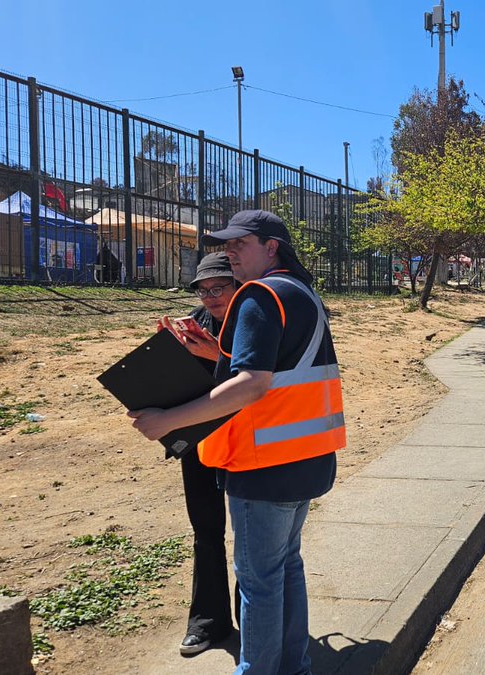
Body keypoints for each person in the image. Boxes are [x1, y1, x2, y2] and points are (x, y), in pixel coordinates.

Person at [129, 210, 343, 675]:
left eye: (239, 244)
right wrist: (218, 353)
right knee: (286, 569)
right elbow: (281, 371)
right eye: (225, 245)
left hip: (263, 463)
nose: (228, 253)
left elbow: (251, 385)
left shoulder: (259, 296)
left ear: (272, 247)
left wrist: (168, 420)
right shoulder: (301, 294)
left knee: (260, 583)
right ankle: (295, 668)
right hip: (306, 458)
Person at [157, 252, 241, 656]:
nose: (209, 297)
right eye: (203, 289)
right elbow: (182, 385)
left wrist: (219, 356)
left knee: (250, 533)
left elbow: (264, 384)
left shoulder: (255, 320)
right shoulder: (196, 321)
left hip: (249, 440)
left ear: (239, 284)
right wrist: (168, 354)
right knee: (206, 530)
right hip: (201, 443)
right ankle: (209, 622)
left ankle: (253, 615)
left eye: (218, 288)